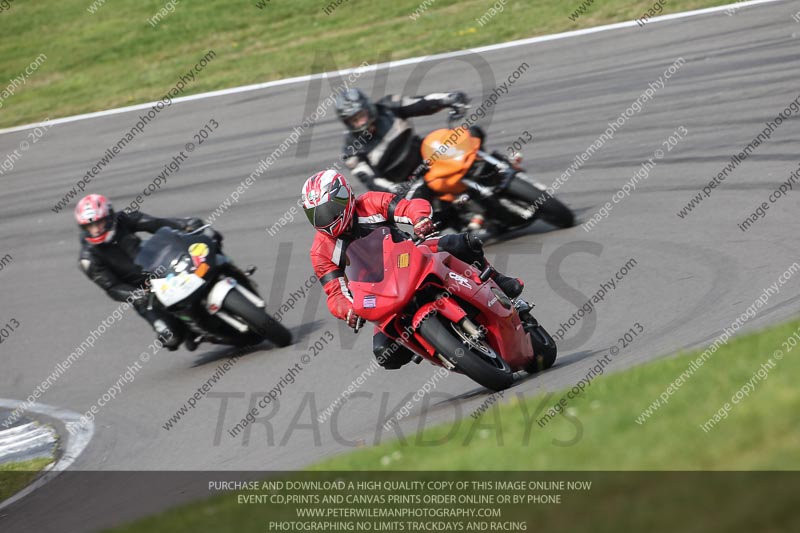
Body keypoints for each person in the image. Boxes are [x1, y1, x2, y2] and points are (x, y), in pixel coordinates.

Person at [302, 169, 524, 370]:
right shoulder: (321, 250)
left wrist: (419, 220)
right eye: (317, 215)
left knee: (463, 243)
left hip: (412, 255)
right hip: (379, 293)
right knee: (386, 355)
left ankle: (496, 279)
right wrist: (348, 310)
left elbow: (408, 207)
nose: (326, 220)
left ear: (344, 195)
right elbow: (335, 293)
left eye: (328, 210)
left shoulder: (370, 202)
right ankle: (437, 348)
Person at [75, 194, 207, 351]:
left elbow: (156, 223)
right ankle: (190, 330)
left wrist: (184, 224)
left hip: (160, 266)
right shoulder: (88, 258)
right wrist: (137, 295)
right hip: (142, 291)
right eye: (90, 226)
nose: (96, 230)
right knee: (170, 336)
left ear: (109, 217)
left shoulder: (123, 219)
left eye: (99, 223)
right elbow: (112, 287)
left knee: (203, 253)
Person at [335, 87, 477, 194]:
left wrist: (448, 99)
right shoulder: (351, 151)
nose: (360, 123)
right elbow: (372, 181)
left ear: (368, 108)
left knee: (471, 135)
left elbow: (421, 103)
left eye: (362, 116)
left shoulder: (389, 106)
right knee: (425, 214)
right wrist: (396, 190)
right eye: (354, 120)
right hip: (408, 185)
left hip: (428, 157)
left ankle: (495, 168)